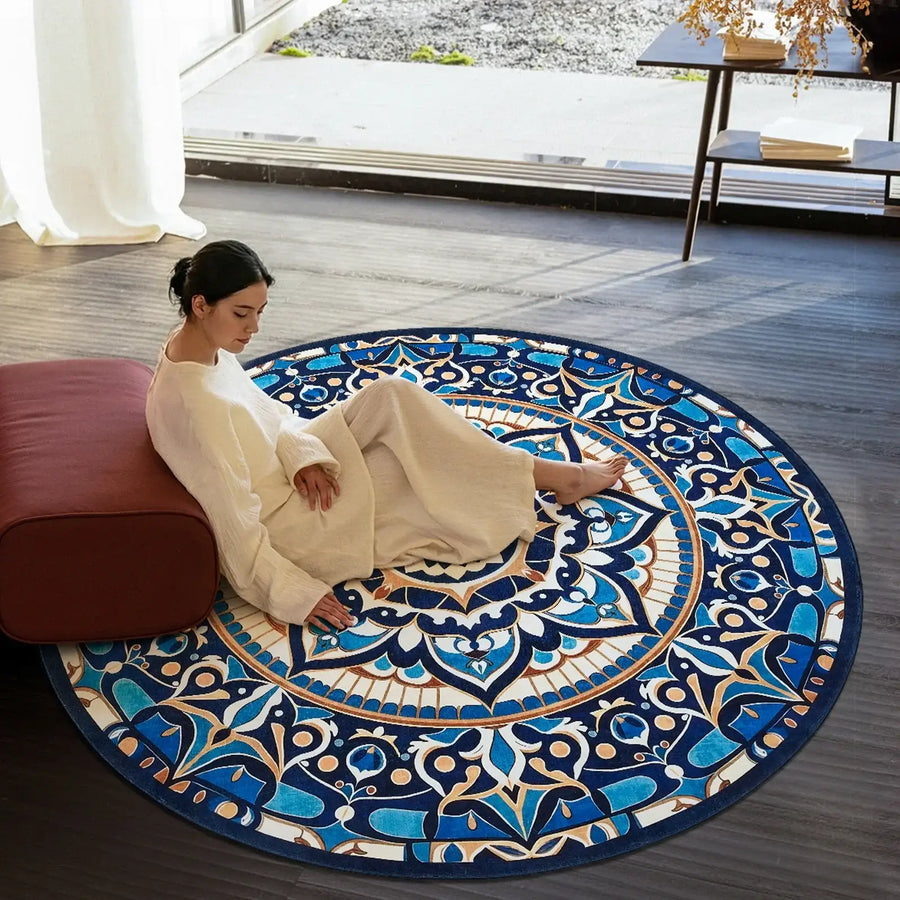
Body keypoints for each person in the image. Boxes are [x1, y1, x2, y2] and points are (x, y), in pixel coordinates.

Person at [146, 241, 627, 633]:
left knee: (391, 395)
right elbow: (233, 518)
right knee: (422, 476)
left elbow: (265, 414)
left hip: (290, 473)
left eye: (260, 311)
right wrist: (290, 591)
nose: (254, 328)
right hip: (289, 519)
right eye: (242, 313)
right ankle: (557, 477)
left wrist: (302, 453)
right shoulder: (196, 406)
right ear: (201, 304)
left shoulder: (198, 344)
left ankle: (549, 474)